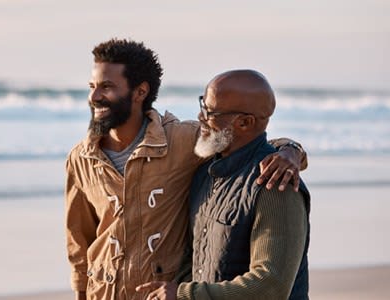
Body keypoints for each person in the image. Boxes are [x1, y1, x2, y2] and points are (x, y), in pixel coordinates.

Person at [65, 40, 307, 300]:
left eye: (107, 86)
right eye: (92, 86)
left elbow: (249, 144)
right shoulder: (81, 158)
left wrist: (290, 151)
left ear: (140, 92)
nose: (94, 96)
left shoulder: (184, 142)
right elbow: (79, 242)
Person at [136, 70, 311, 300]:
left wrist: (183, 294)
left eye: (210, 111)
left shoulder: (276, 184)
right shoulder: (205, 174)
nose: (200, 117)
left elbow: (270, 286)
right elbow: (196, 262)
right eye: (202, 104)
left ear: (245, 123)